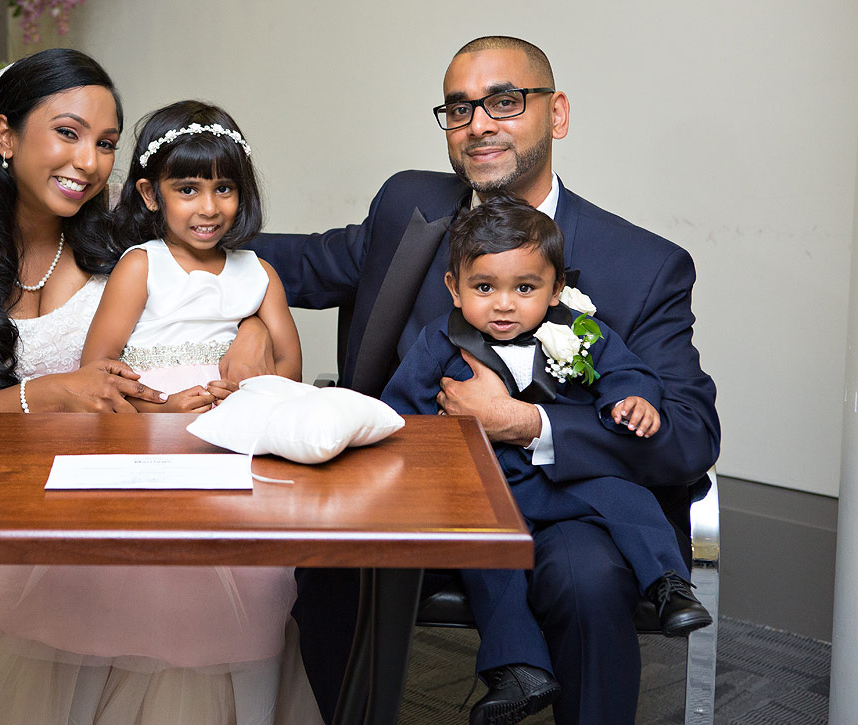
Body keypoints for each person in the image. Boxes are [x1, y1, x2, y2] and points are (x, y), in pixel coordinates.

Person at [0, 50, 319, 725]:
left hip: (116, 481)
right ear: (7, 136)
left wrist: (253, 328)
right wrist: (44, 394)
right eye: (68, 133)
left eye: (106, 144)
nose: (89, 162)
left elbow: (210, 257)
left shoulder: (120, 240)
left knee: (199, 571)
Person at [250, 35, 720, 724]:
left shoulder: (641, 265)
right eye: (460, 108)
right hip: (412, 486)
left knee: (589, 580)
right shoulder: (410, 205)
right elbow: (306, 263)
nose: (480, 124)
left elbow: (689, 434)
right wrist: (183, 257)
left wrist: (528, 423)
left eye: (504, 101)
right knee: (328, 558)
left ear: (555, 114)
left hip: (564, 502)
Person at [381, 194, 712, 724]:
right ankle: (518, 669)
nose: (504, 304)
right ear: (455, 287)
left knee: (625, 498)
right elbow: (400, 413)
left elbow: (627, 372)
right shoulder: (438, 342)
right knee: (490, 565)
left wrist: (635, 401)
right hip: (488, 489)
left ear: (556, 288)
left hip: (565, 481)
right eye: (484, 288)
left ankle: (669, 585)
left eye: (525, 288)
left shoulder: (578, 331)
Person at [82, 100, 302, 406]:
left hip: (234, 428)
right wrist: (158, 411)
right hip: (150, 434)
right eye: (188, 190)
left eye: (224, 189)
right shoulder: (142, 266)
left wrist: (251, 397)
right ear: (151, 194)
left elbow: (290, 365)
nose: (209, 208)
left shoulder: (260, 274)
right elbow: (95, 370)